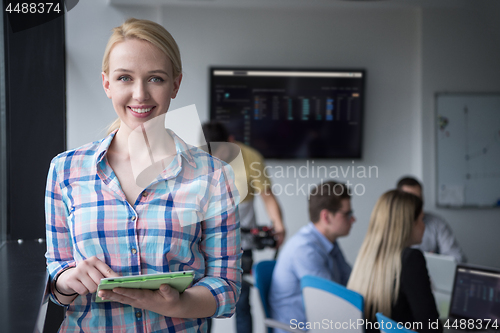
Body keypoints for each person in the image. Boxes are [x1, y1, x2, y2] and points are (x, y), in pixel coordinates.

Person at [44, 18, 241, 332]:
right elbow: (58, 283)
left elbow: (227, 289)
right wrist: (68, 281)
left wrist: (179, 304)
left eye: (156, 79)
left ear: (175, 84)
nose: (140, 94)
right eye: (124, 78)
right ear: (107, 83)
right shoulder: (65, 171)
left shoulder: (214, 176)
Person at [202, 121, 286, 333]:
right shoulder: (198, 158)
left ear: (231, 142)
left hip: (241, 243)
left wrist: (279, 226)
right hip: (204, 244)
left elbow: (268, 198)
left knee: (241, 301)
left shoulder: (250, 157)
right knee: (202, 301)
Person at [347, 190, 442, 333]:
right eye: (421, 220)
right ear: (408, 224)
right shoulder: (410, 259)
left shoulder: (367, 255)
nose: (424, 226)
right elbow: (432, 328)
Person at [269, 181, 354, 333]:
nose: (353, 219)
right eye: (347, 214)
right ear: (326, 217)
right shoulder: (305, 250)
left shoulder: (329, 242)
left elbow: (351, 282)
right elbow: (332, 303)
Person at [396, 176, 466, 263]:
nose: (417, 203)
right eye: (411, 199)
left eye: (419, 198)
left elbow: (457, 258)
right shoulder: (391, 228)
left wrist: (436, 260)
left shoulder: (436, 223)